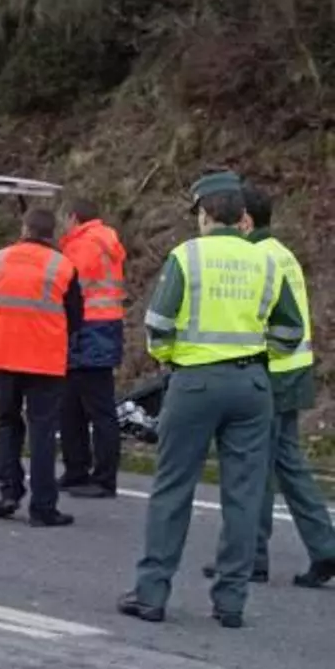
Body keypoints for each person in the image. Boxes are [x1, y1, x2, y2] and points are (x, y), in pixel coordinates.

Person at [118, 170, 305, 629]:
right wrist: (260, 355)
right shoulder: (266, 261)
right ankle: (230, 603)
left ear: (204, 214)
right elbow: (290, 331)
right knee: (243, 495)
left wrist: (171, 357)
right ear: (242, 217)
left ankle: (152, 594)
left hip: (195, 383)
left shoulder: (188, 256)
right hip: (252, 387)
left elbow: (158, 325)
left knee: (173, 487)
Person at [199, 182, 335, 588]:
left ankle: (251, 556)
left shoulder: (256, 257)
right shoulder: (281, 253)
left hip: (270, 373)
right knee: (285, 464)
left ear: (245, 219)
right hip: (292, 370)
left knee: (252, 467)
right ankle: (321, 547)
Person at [0, 208, 82, 527]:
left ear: (24, 229)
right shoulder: (63, 266)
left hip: (4, 355)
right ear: (52, 233)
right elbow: (76, 317)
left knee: (7, 425)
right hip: (44, 360)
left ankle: (9, 492)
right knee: (42, 432)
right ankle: (42, 507)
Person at [58, 198, 127, 499]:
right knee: (75, 405)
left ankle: (100, 477)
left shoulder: (83, 244)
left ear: (73, 217)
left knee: (93, 409)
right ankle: (79, 471)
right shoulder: (104, 241)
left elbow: (67, 284)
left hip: (87, 329)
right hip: (102, 328)